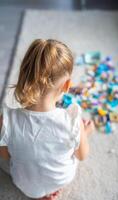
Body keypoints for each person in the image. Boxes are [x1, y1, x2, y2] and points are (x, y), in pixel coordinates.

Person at [0, 39, 94, 200]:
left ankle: (37, 193)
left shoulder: (5, 120)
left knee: (5, 162)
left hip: (25, 185)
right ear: (67, 85)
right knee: (72, 149)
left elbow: (6, 156)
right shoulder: (72, 119)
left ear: (24, 76)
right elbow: (82, 156)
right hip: (60, 180)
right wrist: (84, 132)